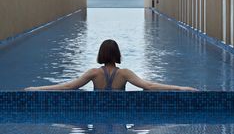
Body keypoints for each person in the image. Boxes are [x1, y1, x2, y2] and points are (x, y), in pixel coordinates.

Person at [25, 39, 197, 91]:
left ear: (101, 54)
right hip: (120, 114)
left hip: (97, 116)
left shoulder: (93, 73)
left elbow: (69, 86)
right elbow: (149, 86)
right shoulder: (124, 74)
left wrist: (37, 89)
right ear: (117, 54)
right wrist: (183, 89)